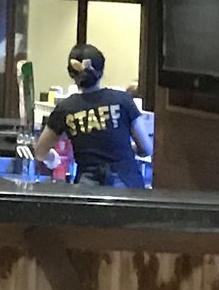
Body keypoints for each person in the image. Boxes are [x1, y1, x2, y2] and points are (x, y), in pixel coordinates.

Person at [36, 44, 150, 188]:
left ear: (71, 74)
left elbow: (40, 151)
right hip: (128, 184)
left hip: (89, 185)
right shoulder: (123, 99)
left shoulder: (65, 108)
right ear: (101, 71)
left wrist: (53, 159)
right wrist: (125, 150)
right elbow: (146, 148)